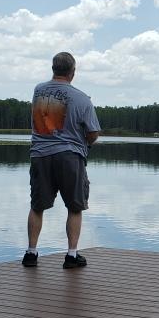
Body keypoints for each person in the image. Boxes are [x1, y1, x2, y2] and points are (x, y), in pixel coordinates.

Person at [22, 52, 101, 269]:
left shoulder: (38, 91)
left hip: (40, 155)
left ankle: (31, 253)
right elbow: (93, 132)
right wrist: (85, 143)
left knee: (37, 205)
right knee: (75, 206)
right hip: (69, 157)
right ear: (72, 72)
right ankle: (71, 256)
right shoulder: (82, 98)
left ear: (53, 68)